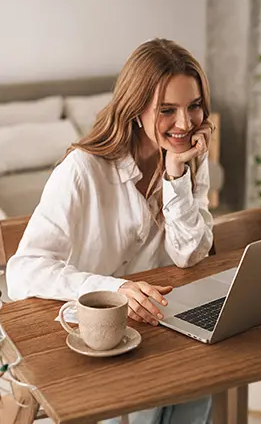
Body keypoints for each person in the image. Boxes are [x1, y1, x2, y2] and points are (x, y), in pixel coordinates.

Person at [6, 38, 214, 423]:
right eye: (167, 110)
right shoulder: (82, 170)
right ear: (136, 109)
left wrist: (176, 174)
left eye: (194, 106)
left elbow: (190, 254)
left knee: (199, 387)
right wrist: (114, 289)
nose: (186, 124)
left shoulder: (189, 162)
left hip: (152, 329)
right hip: (85, 337)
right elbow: (21, 272)